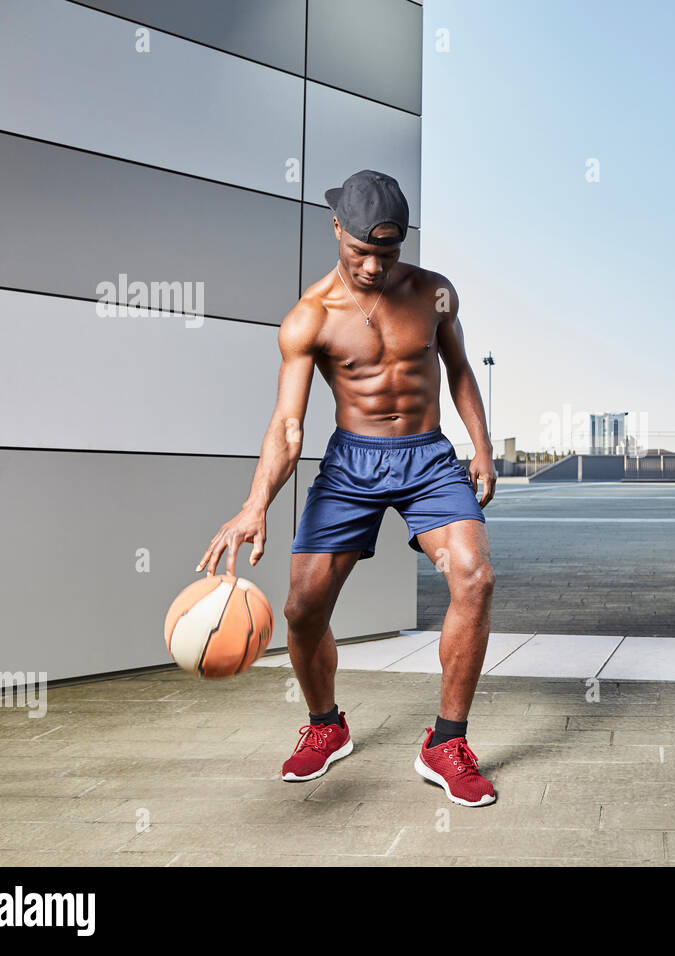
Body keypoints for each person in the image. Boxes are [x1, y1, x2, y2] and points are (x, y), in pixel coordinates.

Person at [195, 170, 498, 807]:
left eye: (386, 255)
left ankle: (445, 744)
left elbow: (460, 370)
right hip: (351, 465)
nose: (373, 267)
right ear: (338, 230)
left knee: (474, 577)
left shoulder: (435, 294)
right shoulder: (311, 317)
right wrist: (256, 504)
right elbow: (287, 423)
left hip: (428, 459)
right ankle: (326, 727)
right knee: (302, 610)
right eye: (362, 252)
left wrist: (482, 445)